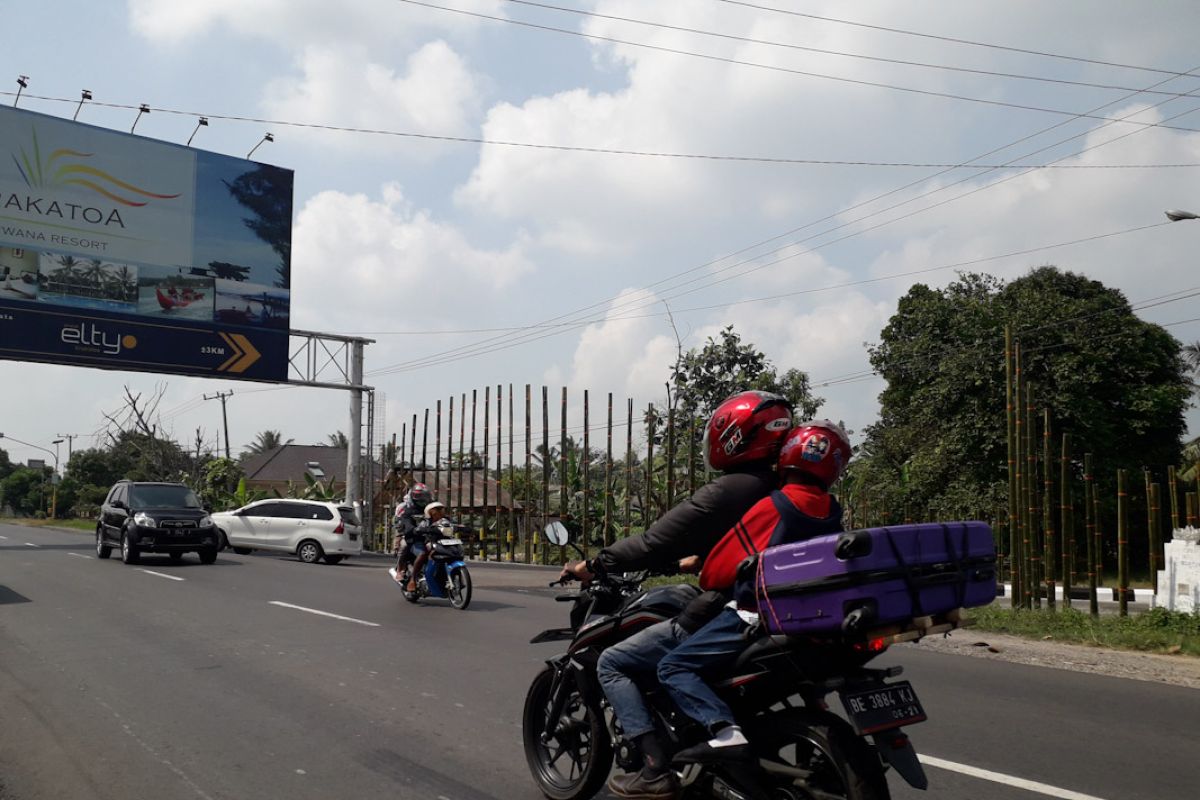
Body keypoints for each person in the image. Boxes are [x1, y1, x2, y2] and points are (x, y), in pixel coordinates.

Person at [559, 391, 793, 800]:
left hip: (733, 607)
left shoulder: (729, 490)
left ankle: (653, 768)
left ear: (734, 438)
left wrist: (594, 565)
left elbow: (653, 543)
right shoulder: (786, 488)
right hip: (777, 606)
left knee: (613, 662)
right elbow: (752, 543)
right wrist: (701, 559)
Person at [656, 421, 851, 766]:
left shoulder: (774, 505)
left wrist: (702, 566)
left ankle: (725, 733)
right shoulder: (830, 510)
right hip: (807, 616)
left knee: (672, 667)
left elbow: (717, 572)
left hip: (757, 614)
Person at [406, 501, 448, 592]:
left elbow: (455, 526)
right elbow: (417, 530)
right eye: (437, 510)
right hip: (423, 543)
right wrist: (418, 530)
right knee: (422, 554)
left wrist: (466, 529)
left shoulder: (445, 521)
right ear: (430, 512)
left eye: (441, 509)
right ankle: (412, 579)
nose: (440, 512)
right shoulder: (425, 522)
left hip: (441, 543)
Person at [394, 483, 433, 579]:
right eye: (418, 496)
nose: (421, 498)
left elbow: (441, 517)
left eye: (423, 496)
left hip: (429, 535)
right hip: (411, 534)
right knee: (404, 545)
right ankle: (400, 569)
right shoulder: (406, 509)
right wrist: (409, 528)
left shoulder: (431, 508)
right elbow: (402, 522)